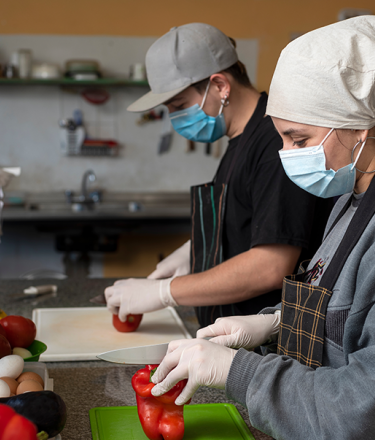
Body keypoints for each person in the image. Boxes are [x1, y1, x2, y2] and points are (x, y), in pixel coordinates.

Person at [148, 16, 375, 440]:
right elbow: (349, 307)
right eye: (283, 138)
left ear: (358, 128)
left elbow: (373, 409)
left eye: (299, 138)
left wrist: (237, 372)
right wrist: (273, 322)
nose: (287, 154)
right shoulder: (355, 197)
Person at [104, 23, 331, 328]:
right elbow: (246, 219)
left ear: (221, 86)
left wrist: (164, 292)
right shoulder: (241, 137)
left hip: (264, 344)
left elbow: (271, 266)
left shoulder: (275, 141)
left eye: (180, 106)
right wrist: (193, 252)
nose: (176, 118)